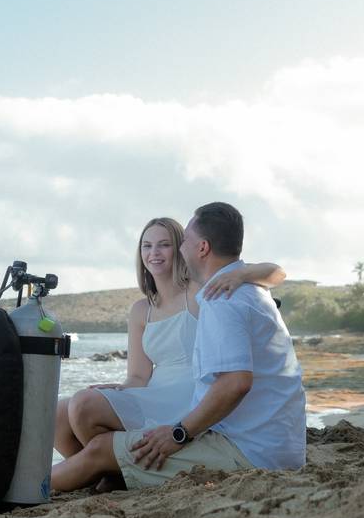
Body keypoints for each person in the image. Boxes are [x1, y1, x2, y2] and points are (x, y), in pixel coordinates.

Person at [50, 202, 306, 492]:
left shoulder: (215, 293)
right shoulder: (154, 307)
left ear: (201, 248)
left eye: (175, 242)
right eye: (147, 246)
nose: (157, 252)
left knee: (98, 445)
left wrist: (179, 433)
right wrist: (117, 389)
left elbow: (236, 382)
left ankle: (27, 487)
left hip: (230, 432)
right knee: (63, 413)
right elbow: (138, 376)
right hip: (250, 434)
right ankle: (112, 473)